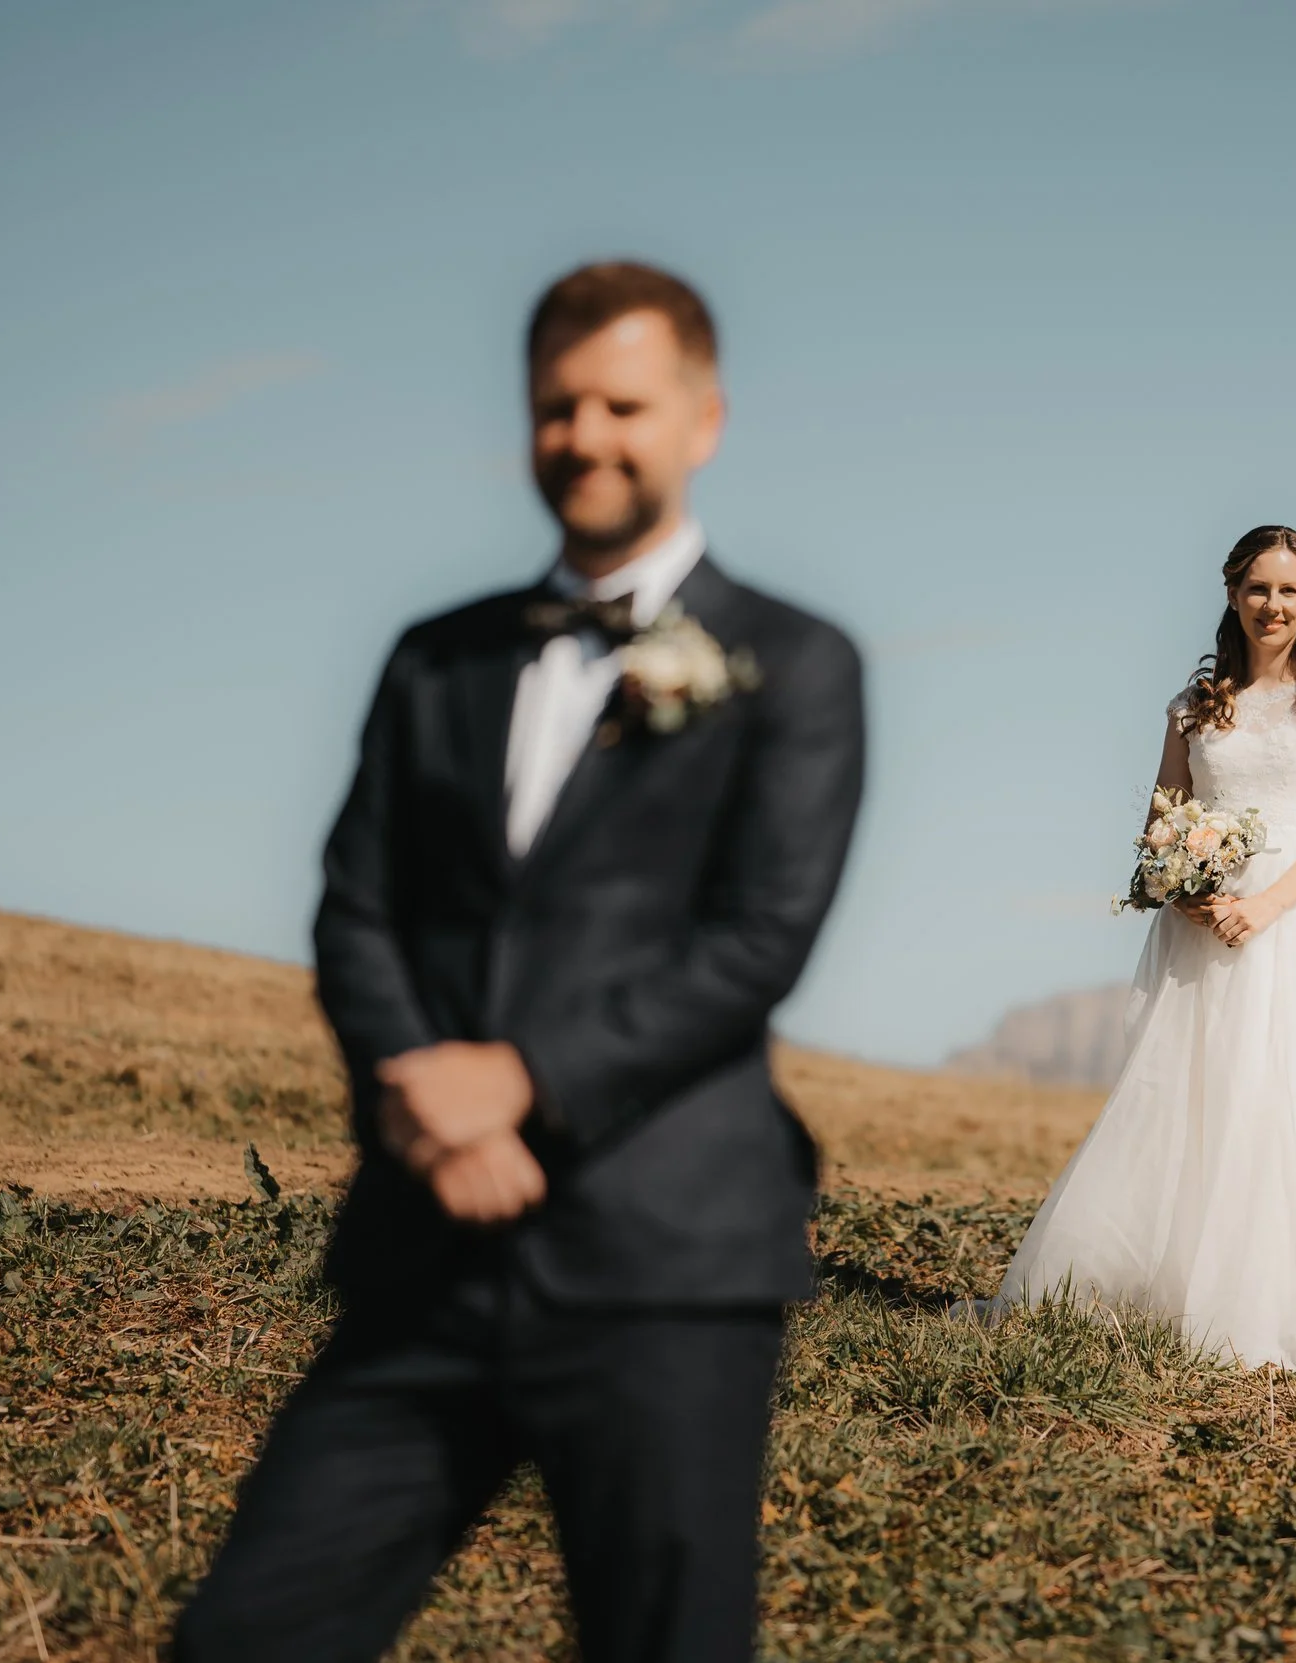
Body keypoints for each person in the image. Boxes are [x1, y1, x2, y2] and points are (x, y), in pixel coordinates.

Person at [174, 262, 865, 1662]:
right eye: (557, 405)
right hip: (425, 1255)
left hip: (664, 1265)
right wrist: (424, 1098)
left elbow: (758, 939)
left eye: (623, 404)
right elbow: (355, 908)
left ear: (703, 420)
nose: (585, 435)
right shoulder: (433, 660)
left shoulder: (797, 661)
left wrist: (520, 1081)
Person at [990, 526, 1296, 1381]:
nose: (1271, 605)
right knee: (1199, 1099)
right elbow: (1161, 823)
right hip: (1203, 926)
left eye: (1288, 590)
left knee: (1293, 1101)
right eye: (1257, 588)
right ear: (1231, 594)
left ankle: (1283, 1310)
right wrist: (1185, 887)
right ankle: (1175, 1293)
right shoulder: (1194, 706)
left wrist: (1269, 906)